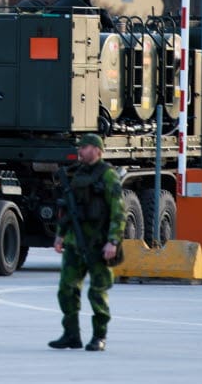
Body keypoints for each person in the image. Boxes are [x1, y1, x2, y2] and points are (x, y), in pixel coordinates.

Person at [48, 132, 124, 352]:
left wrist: (113, 241)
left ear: (97, 150)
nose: (80, 151)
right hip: (74, 242)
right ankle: (71, 335)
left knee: (97, 292)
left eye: (84, 147)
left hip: (98, 243)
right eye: (79, 148)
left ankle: (99, 336)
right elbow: (68, 209)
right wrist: (60, 235)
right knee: (66, 289)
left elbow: (118, 212)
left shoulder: (108, 176)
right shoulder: (76, 174)